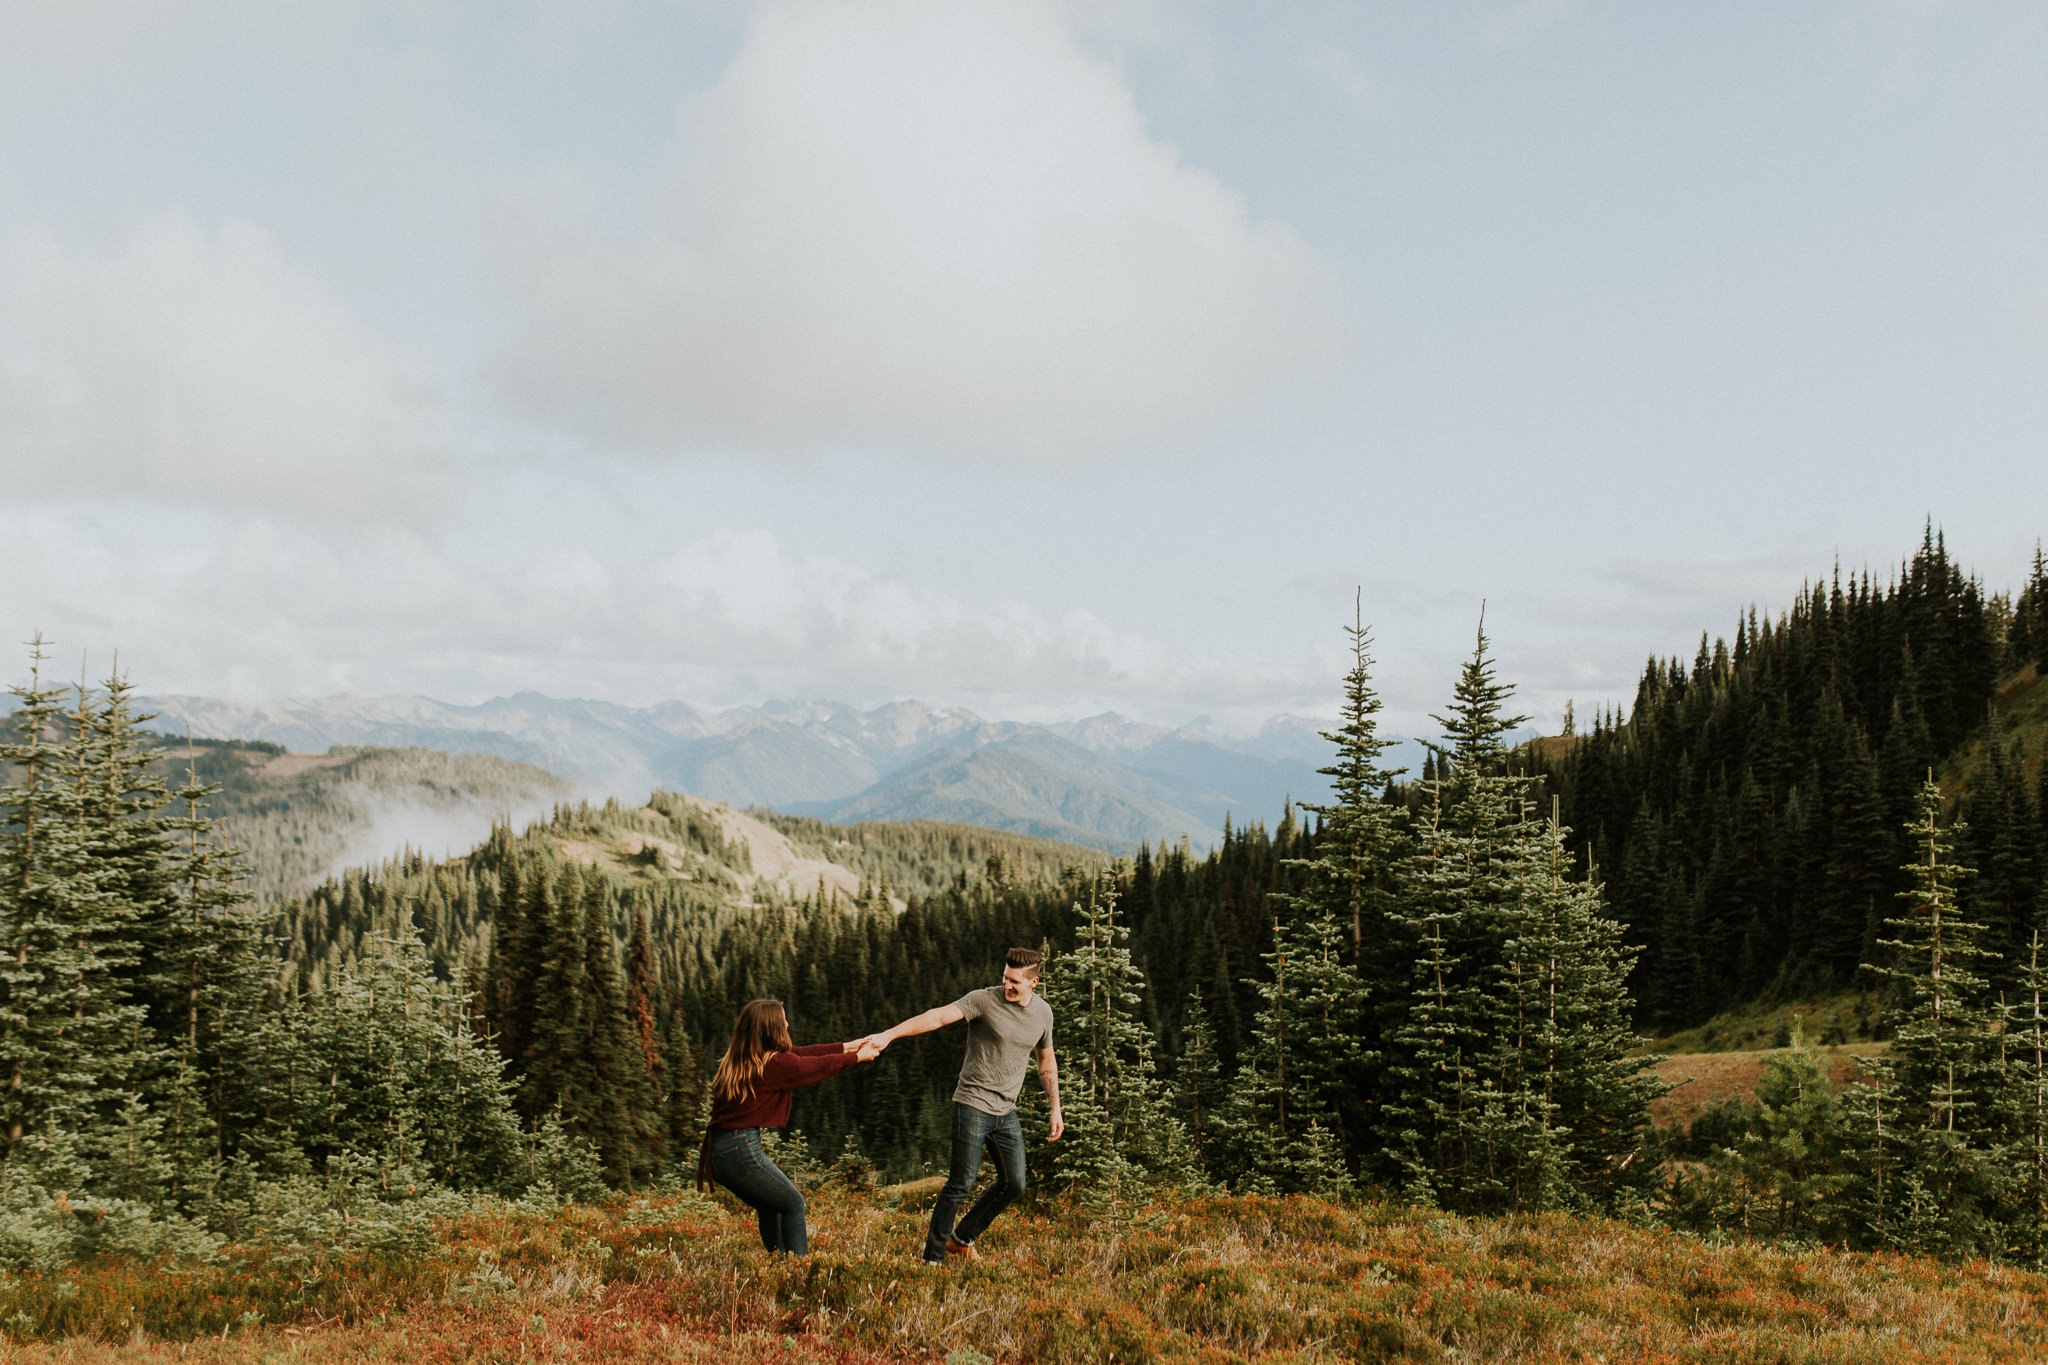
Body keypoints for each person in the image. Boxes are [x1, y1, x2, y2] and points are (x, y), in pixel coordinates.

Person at [867, 948, 1062, 1264]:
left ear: (1033, 982)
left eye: (1015, 982)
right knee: (961, 1182)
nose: (1007, 986)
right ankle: (932, 1258)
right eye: (1004, 978)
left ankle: (962, 1239)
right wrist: (890, 1035)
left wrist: (1055, 1107)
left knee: (1014, 1183)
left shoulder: (1043, 1014)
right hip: (971, 1104)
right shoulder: (984, 1000)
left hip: (1006, 1112)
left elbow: (1045, 1059)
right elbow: (938, 1016)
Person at [697, 999, 880, 1255]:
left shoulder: (744, 1059)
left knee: (770, 1205)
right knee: (794, 1204)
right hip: (740, 1149)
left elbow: (801, 1054)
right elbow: (808, 1067)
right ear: (772, 1028)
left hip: (721, 1153)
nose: (787, 1023)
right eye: (783, 1020)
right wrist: (857, 1057)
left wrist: (848, 1046)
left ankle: (780, 1265)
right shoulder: (773, 1066)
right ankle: (797, 1271)